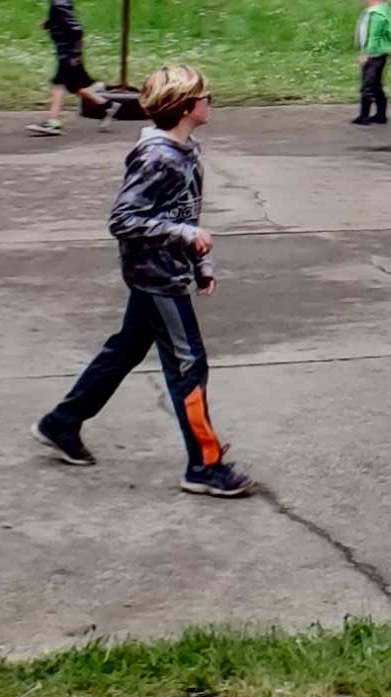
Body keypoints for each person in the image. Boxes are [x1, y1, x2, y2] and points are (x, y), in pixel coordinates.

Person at [36, 66, 252, 497]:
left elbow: (181, 211)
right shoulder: (157, 157)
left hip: (167, 269)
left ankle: (62, 422)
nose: (211, 102)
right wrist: (184, 237)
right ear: (186, 107)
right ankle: (204, 465)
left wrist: (199, 260)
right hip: (157, 278)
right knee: (189, 364)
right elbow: (124, 219)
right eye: (206, 96)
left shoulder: (185, 150)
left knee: (126, 349)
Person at [30, 0, 95, 136]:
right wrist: (49, 23)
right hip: (65, 51)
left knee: (58, 83)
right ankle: (107, 105)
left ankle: (53, 122)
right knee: (75, 87)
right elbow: (61, 19)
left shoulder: (59, 3)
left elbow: (76, 28)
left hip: (68, 52)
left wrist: (75, 54)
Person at [352, 0, 391, 126]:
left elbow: (373, 37)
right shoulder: (383, 10)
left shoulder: (376, 15)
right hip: (381, 53)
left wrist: (366, 53)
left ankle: (364, 116)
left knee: (367, 85)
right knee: (376, 85)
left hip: (374, 55)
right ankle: (381, 115)